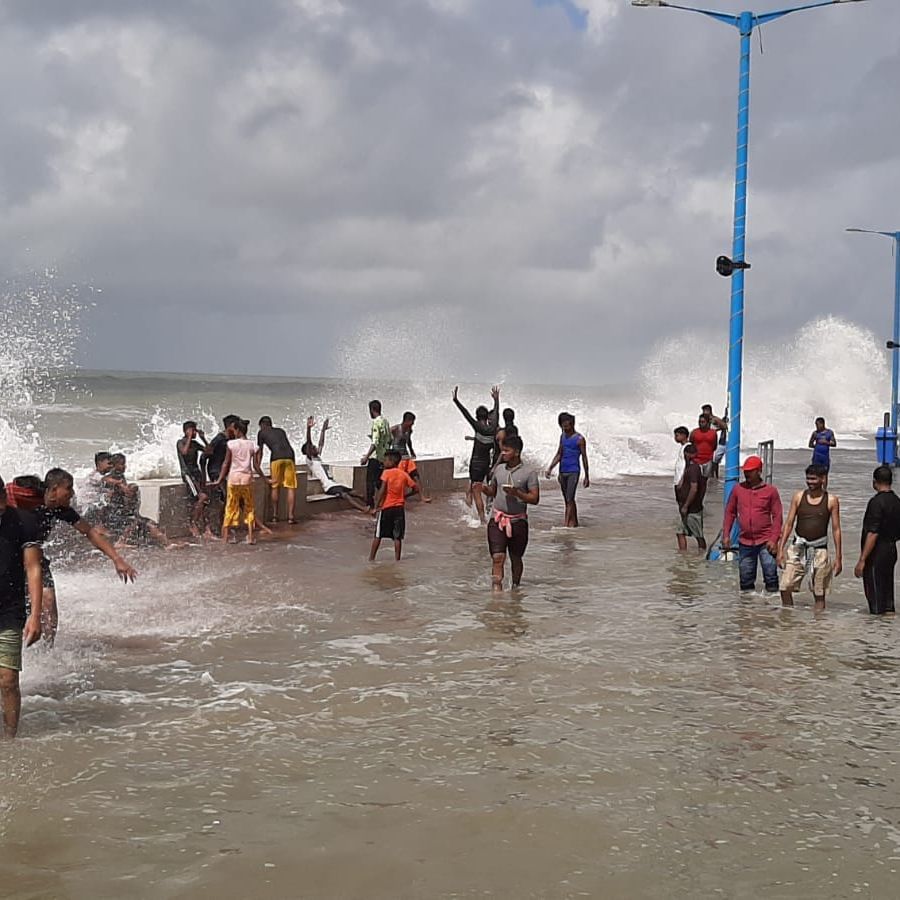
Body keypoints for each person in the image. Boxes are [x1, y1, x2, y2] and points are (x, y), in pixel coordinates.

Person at [18, 468, 138, 647]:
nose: (72, 493)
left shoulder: (60, 509)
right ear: (55, 488)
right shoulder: (26, 501)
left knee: (49, 603)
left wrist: (116, 559)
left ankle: (46, 652)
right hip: (12, 559)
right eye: (69, 488)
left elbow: (89, 531)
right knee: (19, 609)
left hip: (37, 559)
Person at [0, 476, 44, 739]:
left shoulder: (23, 522)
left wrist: (35, 615)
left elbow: (33, 567)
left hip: (9, 609)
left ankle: (10, 738)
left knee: (7, 679)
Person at [777, 465, 842, 610]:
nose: (810, 482)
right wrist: (781, 549)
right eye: (808, 478)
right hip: (798, 548)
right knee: (785, 586)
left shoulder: (831, 500)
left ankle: (817, 628)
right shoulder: (798, 497)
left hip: (820, 550)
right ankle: (787, 619)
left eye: (814, 479)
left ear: (822, 479)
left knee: (819, 592)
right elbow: (789, 524)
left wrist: (838, 558)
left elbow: (836, 529)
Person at [482, 435, 540, 590]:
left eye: (507, 451)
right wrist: (483, 489)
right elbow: (493, 491)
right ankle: (496, 593)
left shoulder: (529, 473)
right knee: (498, 557)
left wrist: (517, 493)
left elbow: (535, 499)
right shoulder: (499, 469)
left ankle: (515, 587)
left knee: (516, 558)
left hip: (518, 522)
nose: (503, 454)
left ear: (517, 452)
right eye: (502, 450)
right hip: (497, 520)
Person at [722, 455, 783, 593]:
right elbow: (730, 513)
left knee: (770, 575)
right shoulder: (738, 489)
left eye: (750, 471)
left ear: (759, 471)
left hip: (765, 541)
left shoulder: (770, 491)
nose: (746, 473)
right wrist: (726, 535)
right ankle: (747, 610)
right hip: (745, 541)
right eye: (745, 471)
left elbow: (777, 517)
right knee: (745, 578)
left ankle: (772, 608)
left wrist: (774, 539)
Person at [211, 419, 269, 546]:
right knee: (249, 508)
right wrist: (265, 479)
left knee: (230, 507)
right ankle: (250, 537)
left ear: (237, 430)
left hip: (233, 479)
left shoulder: (231, 444)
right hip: (247, 479)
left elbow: (226, 463)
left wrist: (219, 479)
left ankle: (225, 537)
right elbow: (255, 465)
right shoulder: (253, 445)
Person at [854, 465, 900, 616]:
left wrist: (862, 559)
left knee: (875, 598)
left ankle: (874, 632)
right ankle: (885, 634)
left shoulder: (876, 502)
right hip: (891, 550)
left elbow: (873, 533)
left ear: (874, 482)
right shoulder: (896, 501)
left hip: (876, 553)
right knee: (887, 597)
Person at [452, 385, 499, 524]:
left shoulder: (477, 426)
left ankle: (482, 519)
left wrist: (456, 400)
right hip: (487, 464)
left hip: (476, 463)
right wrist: (496, 400)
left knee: (476, 490)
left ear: (478, 416)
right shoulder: (493, 426)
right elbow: (496, 411)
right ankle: (471, 510)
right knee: (473, 488)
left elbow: (465, 413)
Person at [303, 417, 370, 513]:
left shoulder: (318, 458)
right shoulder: (310, 461)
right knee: (345, 495)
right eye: (313, 448)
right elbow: (309, 442)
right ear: (308, 451)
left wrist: (323, 430)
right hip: (328, 487)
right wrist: (308, 428)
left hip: (334, 483)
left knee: (358, 494)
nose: (316, 448)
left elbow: (321, 443)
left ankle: (370, 506)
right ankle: (363, 509)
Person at [103, 454, 169, 546]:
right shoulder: (114, 477)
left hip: (124, 513)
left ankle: (167, 544)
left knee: (152, 523)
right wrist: (119, 484)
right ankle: (121, 542)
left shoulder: (120, 476)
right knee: (135, 522)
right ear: (114, 465)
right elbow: (105, 479)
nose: (124, 466)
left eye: (124, 464)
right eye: (122, 464)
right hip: (116, 514)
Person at [369, 449, 417, 561]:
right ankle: (397, 559)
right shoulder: (403, 474)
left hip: (386, 507)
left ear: (391, 462)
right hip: (399, 508)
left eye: (385, 460)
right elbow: (416, 488)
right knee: (397, 536)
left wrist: (376, 507)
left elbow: (382, 491)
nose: (384, 463)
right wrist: (405, 496)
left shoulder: (386, 473)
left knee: (378, 535)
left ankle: (371, 558)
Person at [544, 412, 590, 527]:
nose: (564, 428)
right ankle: (574, 523)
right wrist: (550, 467)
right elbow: (559, 454)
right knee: (568, 499)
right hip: (562, 471)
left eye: (566, 425)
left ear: (572, 424)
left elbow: (584, 457)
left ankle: (566, 525)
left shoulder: (580, 439)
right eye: (562, 425)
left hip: (573, 471)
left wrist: (587, 476)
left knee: (569, 498)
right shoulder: (562, 437)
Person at [257, 416, 298, 524]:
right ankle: (291, 517)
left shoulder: (262, 433)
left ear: (262, 425)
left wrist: (257, 466)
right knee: (291, 487)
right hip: (290, 457)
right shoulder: (281, 431)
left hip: (276, 458)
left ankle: (275, 515)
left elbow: (260, 452)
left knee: (275, 486)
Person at [177, 421, 210, 537]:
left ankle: (206, 528)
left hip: (197, 473)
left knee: (204, 500)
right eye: (193, 430)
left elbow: (209, 451)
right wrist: (190, 437)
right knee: (202, 497)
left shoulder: (195, 444)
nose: (195, 432)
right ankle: (192, 523)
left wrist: (203, 439)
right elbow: (184, 452)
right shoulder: (181, 442)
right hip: (188, 474)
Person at [391, 412, 431, 503]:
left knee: (416, 476)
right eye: (412, 422)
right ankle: (398, 498)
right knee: (400, 479)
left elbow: (409, 441)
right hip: (398, 458)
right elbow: (386, 438)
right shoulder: (395, 429)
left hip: (406, 457)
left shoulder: (409, 430)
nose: (413, 424)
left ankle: (422, 497)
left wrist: (412, 451)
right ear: (407, 421)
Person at [674, 443, 707, 552]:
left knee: (698, 535)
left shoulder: (694, 468)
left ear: (687, 455)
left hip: (693, 508)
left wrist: (686, 506)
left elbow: (694, 488)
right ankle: (683, 556)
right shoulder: (689, 467)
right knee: (680, 532)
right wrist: (681, 483)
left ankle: (702, 554)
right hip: (684, 506)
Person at [360, 400, 391, 511]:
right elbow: (389, 439)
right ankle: (388, 500)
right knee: (379, 482)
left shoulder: (376, 422)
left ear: (372, 410)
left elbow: (375, 442)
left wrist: (366, 457)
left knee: (370, 482)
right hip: (384, 458)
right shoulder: (385, 421)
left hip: (375, 458)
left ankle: (371, 505)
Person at [701, 404, 728, 479]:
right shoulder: (706, 420)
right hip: (711, 443)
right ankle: (713, 477)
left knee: (714, 461)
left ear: (709, 411)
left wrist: (716, 430)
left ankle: (715, 477)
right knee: (712, 461)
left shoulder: (714, 419)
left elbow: (724, 426)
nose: (704, 412)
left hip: (719, 442)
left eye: (705, 411)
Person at [690, 413, 719, 479]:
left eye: (703, 422)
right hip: (696, 460)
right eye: (699, 422)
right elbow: (690, 445)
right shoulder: (694, 432)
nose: (701, 423)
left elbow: (715, 445)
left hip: (708, 460)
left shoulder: (713, 433)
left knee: (705, 481)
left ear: (708, 422)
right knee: (695, 480)